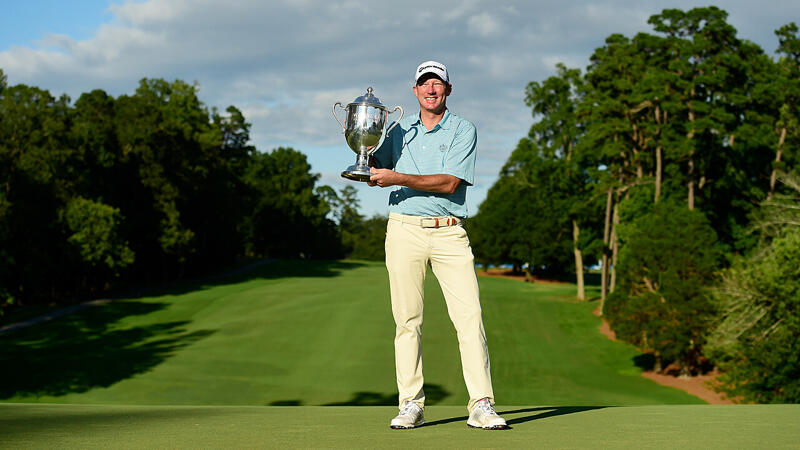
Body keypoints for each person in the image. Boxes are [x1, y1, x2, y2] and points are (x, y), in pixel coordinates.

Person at [368, 60, 508, 430]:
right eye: (424, 83)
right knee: (407, 321)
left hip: (449, 232)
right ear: (415, 90)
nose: (431, 89)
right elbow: (374, 167)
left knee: (470, 318)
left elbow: (449, 183)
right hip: (404, 230)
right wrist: (363, 143)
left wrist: (396, 177)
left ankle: (481, 404)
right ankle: (410, 404)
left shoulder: (463, 129)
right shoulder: (398, 130)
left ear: (448, 89)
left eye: (438, 83)